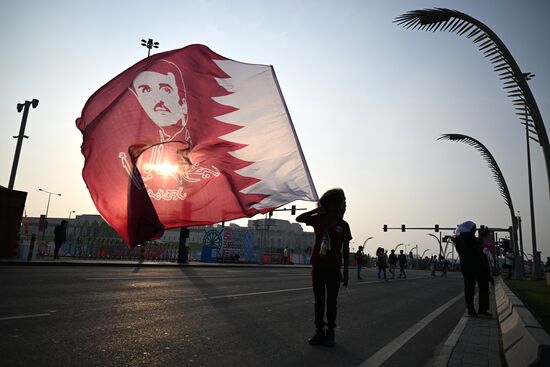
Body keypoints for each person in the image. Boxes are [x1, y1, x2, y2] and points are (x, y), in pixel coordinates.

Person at [297, 188, 351, 347]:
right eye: (329, 201)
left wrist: (346, 271)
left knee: (331, 302)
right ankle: (319, 331)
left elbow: (346, 250)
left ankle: (330, 333)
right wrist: (316, 210)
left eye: (336, 202)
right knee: (319, 301)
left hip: (334, 267)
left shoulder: (343, 225)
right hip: (318, 266)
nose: (332, 204)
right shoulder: (319, 219)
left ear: (340, 205)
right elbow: (300, 218)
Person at [454, 221, 490, 316]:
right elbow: (476, 248)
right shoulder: (468, 237)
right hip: (474, 266)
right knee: (482, 286)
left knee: (469, 287)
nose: (474, 230)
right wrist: (481, 237)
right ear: (469, 229)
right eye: (474, 228)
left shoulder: (459, 239)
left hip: (466, 266)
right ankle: (481, 309)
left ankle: (472, 309)